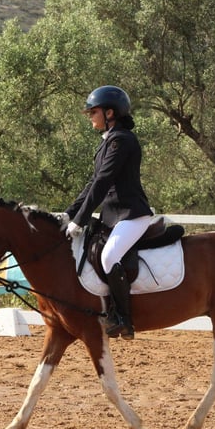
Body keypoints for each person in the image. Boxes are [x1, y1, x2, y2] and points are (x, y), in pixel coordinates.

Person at [63, 85, 153, 340]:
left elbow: (103, 182)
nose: (90, 116)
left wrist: (80, 220)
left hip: (131, 214)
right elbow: (92, 184)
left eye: (94, 112)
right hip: (114, 216)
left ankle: (124, 318)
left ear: (110, 113)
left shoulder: (121, 140)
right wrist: (69, 214)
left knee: (109, 256)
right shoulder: (108, 142)